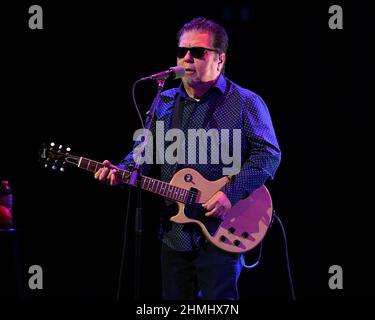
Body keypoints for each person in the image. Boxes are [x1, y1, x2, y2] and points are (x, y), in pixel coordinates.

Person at [94, 17, 281, 300]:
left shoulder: (245, 102)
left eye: (197, 52)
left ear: (220, 59)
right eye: (182, 52)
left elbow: (269, 155)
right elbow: (143, 153)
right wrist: (121, 170)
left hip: (223, 230)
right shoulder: (165, 101)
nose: (187, 58)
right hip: (174, 233)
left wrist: (229, 193)